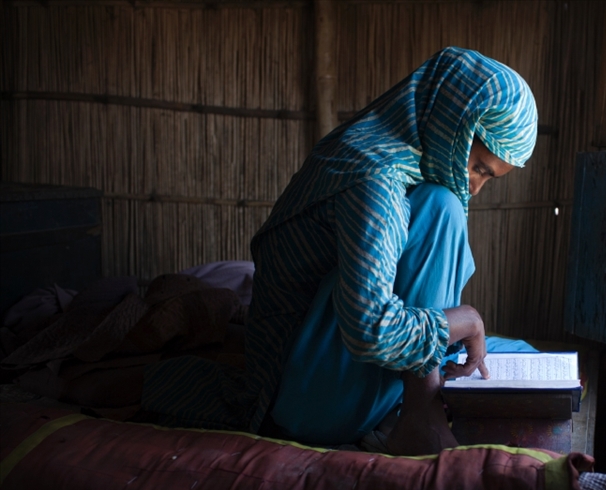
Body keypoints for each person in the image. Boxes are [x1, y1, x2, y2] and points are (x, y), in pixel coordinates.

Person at [141, 47, 538, 456]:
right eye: (478, 167)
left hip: (341, 371)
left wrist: (461, 327)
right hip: (310, 401)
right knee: (443, 209)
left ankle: (416, 393)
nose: (475, 187)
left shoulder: (393, 154)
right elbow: (372, 333)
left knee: (528, 362)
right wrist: (466, 319)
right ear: (451, 127)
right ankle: (421, 408)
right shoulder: (376, 182)